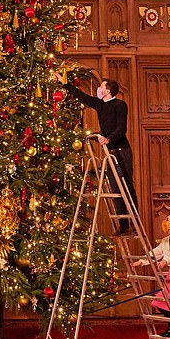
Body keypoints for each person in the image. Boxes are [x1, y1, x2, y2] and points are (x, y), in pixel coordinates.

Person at [62, 77, 136, 235]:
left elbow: (121, 128)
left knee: (127, 187)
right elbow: (83, 97)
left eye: (101, 87)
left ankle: (134, 224)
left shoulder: (120, 105)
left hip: (122, 151)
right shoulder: (100, 104)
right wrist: (65, 84)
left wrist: (108, 139)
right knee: (115, 189)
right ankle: (123, 226)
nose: (99, 89)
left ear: (108, 91)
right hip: (109, 153)